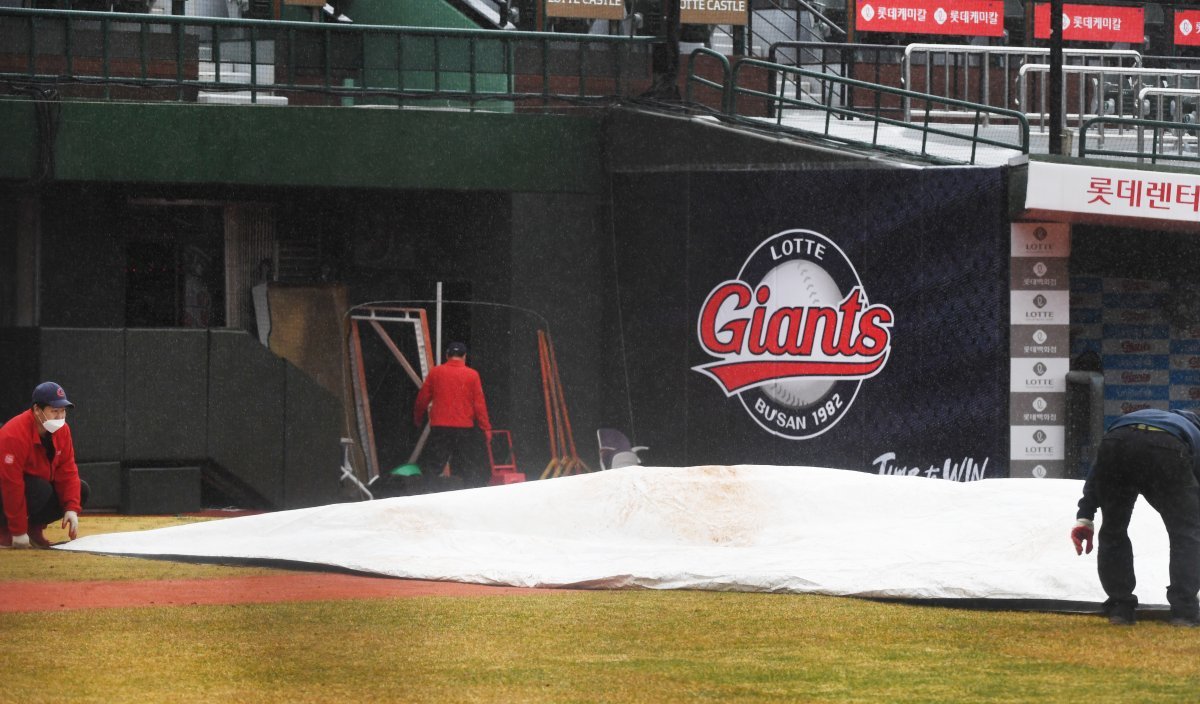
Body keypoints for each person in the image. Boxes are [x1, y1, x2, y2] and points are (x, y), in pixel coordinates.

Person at [1071, 408, 1200, 627]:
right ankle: (1184, 612)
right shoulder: (1194, 432)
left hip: (1117, 442)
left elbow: (1097, 471)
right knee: (1186, 535)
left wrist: (1085, 516)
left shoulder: (1144, 419)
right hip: (1167, 448)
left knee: (1113, 530)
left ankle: (1120, 608)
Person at [0, 382, 89, 549]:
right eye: (54, 411)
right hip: (5, 489)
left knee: (80, 489)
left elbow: (67, 470)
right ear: (36, 410)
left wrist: (71, 508)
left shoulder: (63, 430)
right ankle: (4, 531)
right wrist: (18, 532)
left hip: (32, 486)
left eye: (63, 411)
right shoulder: (14, 435)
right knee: (40, 489)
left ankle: (34, 529)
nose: (60, 416)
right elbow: (11, 484)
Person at [413, 342, 493, 491]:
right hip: (464, 429)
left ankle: (427, 495)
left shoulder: (436, 373)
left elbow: (422, 399)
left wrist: (417, 418)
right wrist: (486, 428)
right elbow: (479, 405)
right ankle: (467, 495)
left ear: (447, 355)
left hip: (440, 427)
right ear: (464, 356)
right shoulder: (472, 375)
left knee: (433, 465)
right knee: (467, 466)